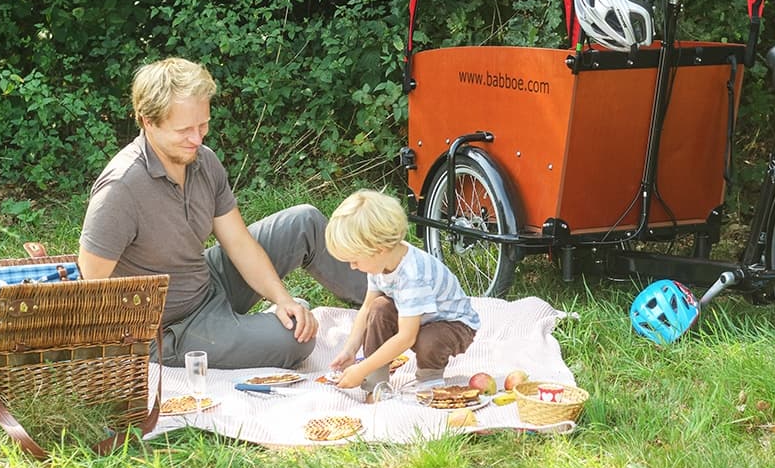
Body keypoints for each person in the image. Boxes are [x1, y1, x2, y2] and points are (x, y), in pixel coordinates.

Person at [78, 57, 366, 369]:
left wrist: (282, 299)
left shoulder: (204, 161)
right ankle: (245, 330)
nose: (197, 139)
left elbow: (240, 244)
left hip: (205, 279)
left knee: (304, 222)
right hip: (174, 325)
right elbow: (90, 285)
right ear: (148, 121)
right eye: (184, 130)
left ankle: (393, 302)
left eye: (203, 125)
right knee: (297, 337)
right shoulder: (120, 189)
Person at [324, 189, 480, 398]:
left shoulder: (413, 275)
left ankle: (430, 383)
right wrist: (350, 349)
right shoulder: (380, 263)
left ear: (378, 249)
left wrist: (361, 370)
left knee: (428, 340)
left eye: (355, 260)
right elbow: (367, 308)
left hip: (453, 324)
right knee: (378, 308)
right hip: (419, 317)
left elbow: (407, 337)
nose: (352, 267)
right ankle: (376, 382)